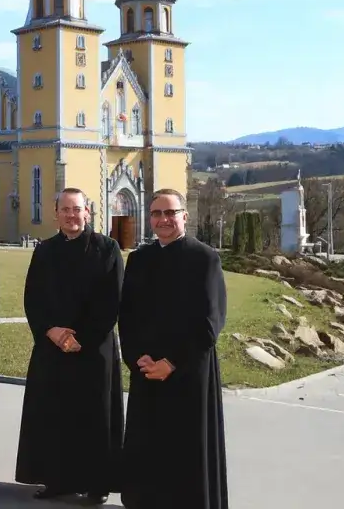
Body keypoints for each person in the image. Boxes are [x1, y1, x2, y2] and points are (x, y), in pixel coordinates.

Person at [118, 188, 229, 509]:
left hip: (188, 371)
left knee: (186, 451)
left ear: (184, 216)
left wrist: (172, 362)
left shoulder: (204, 258)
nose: (163, 220)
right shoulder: (139, 259)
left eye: (170, 213)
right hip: (146, 370)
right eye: (157, 213)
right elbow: (127, 316)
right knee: (148, 448)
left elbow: (210, 322)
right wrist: (136, 358)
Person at [14, 187, 124, 504]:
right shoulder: (45, 250)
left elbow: (112, 301)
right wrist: (51, 331)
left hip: (94, 349)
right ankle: (56, 480)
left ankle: (96, 484)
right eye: (65, 209)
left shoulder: (107, 248)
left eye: (77, 209)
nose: (71, 215)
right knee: (54, 416)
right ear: (56, 213)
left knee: (93, 418)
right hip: (53, 348)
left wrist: (79, 338)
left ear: (87, 212)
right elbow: (33, 297)